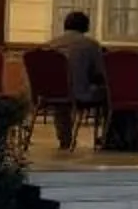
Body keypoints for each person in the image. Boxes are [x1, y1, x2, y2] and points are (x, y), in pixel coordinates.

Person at [39, 10, 104, 151]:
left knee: (61, 100)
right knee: (109, 94)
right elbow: (100, 73)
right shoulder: (90, 45)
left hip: (51, 92)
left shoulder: (49, 45)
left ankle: (64, 139)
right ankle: (108, 136)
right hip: (79, 92)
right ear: (86, 27)